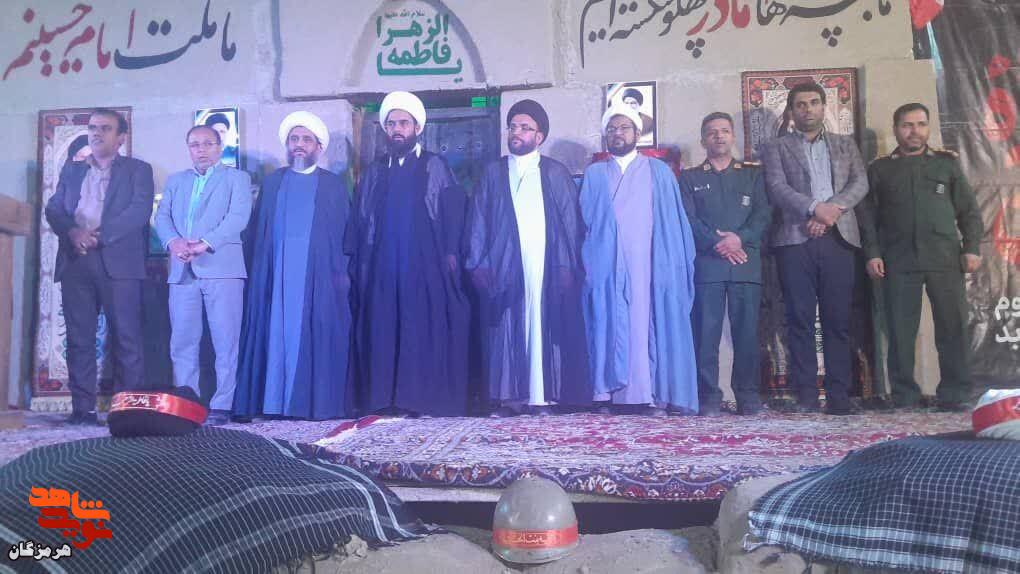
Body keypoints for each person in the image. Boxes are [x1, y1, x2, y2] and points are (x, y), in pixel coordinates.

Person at [346, 91, 470, 417]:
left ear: (417, 128)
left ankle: (417, 400)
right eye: (391, 124)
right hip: (383, 265)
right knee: (383, 326)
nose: (397, 129)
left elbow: (452, 212)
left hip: (423, 264)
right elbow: (361, 219)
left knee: (419, 326)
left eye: (403, 123)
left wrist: (451, 254)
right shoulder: (375, 171)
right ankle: (383, 400)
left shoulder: (434, 165)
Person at [464, 99, 589, 417]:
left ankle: (542, 399)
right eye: (513, 127)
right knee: (508, 327)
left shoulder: (555, 173)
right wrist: (479, 263)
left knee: (541, 323)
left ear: (539, 136)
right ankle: (509, 399)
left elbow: (570, 224)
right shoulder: (493, 172)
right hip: (504, 265)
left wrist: (565, 266)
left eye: (524, 127)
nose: (516, 133)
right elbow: (478, 220)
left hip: (544, 265)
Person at [857, 102, 983, 411]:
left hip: (944, 258)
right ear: (896, 129)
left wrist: (972, 247)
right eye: (907, 125)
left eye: (921, 124)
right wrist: (873, 253)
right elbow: (868, 218)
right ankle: (904, 395)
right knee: (900, 331)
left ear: (928, 127)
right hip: (898, 259)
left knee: (952, 327)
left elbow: (969, 211)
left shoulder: (946, 165)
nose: (915, 131)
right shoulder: (880, 169)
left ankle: (955, 393)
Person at [580, 104, 698, 416]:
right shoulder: (594, 174)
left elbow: (673, 225)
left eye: (624, 127)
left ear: (637, 133)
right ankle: (606, 394)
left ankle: (648, 395)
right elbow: (585, 223)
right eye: (611, 129)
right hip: (606, 266)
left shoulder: (658, 172)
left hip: (648, 266)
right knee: (606, 323)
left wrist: (669, 267)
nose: (617, 133)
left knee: (645, 324)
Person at [234, 111, 351, 420]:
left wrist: (341, 276)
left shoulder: (333, 186)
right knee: (275, 333)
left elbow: (344, 236)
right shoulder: (273, 182)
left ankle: (310, 404)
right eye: (294, 139)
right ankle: (274, 403)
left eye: (306, 140)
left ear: (318, 147)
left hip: (318, 278)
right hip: (276, 276)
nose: (299, 145)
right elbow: (258, 232)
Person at [761, 83, 869, 415]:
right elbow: (776, 187)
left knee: (838, 320)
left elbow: (860, 183)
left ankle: (839, 396)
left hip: (839, 240)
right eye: (800, 104)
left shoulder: (845, 143)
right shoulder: (777, 147)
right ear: (791, 111)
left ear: (824, 107)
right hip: (795, 240)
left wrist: (830, 211)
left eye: (813, 102)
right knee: (800, 320)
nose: (807, 109)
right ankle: (806, 395)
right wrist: (813, 208)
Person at [44, 108, 154, 425]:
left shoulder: (138, 170)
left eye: (105, 128)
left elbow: (139, 211)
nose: (96, 133)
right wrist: (73, 233)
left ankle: (127, 411)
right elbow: (55, 208)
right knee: (79, 338)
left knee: (126, 338)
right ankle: (83, 410)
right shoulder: (73, 169)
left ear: (121, 137)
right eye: (92, 128)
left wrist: (98, 237)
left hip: (119, 263)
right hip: (76, 261)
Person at [154, 125, 253, 426]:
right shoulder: (176, 180)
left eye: (208, 144)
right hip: (182, 269)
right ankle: (188, 403)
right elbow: (162, 216)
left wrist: (204, 243)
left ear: (220, 147)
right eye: (195, 144)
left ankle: (222, 404)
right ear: (188, 148)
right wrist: (174, 242)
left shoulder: (237, 178)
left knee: (226, 341)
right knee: (182, 341)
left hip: (222, 269)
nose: (201, 150)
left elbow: (238, 218)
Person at [680, 112, 771, 416]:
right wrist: (717, 243)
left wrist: (738, 239)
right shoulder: (690, 178)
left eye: (724, 131)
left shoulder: (752, 175)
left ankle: (747, 395)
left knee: (747, 335)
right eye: (712, 132)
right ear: (703, 140)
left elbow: (763, 215)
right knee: (705, 335)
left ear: (733, 137)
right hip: (708, 266)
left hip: (745, 264)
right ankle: (708, 396)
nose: (719, 136)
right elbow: (688, 219)